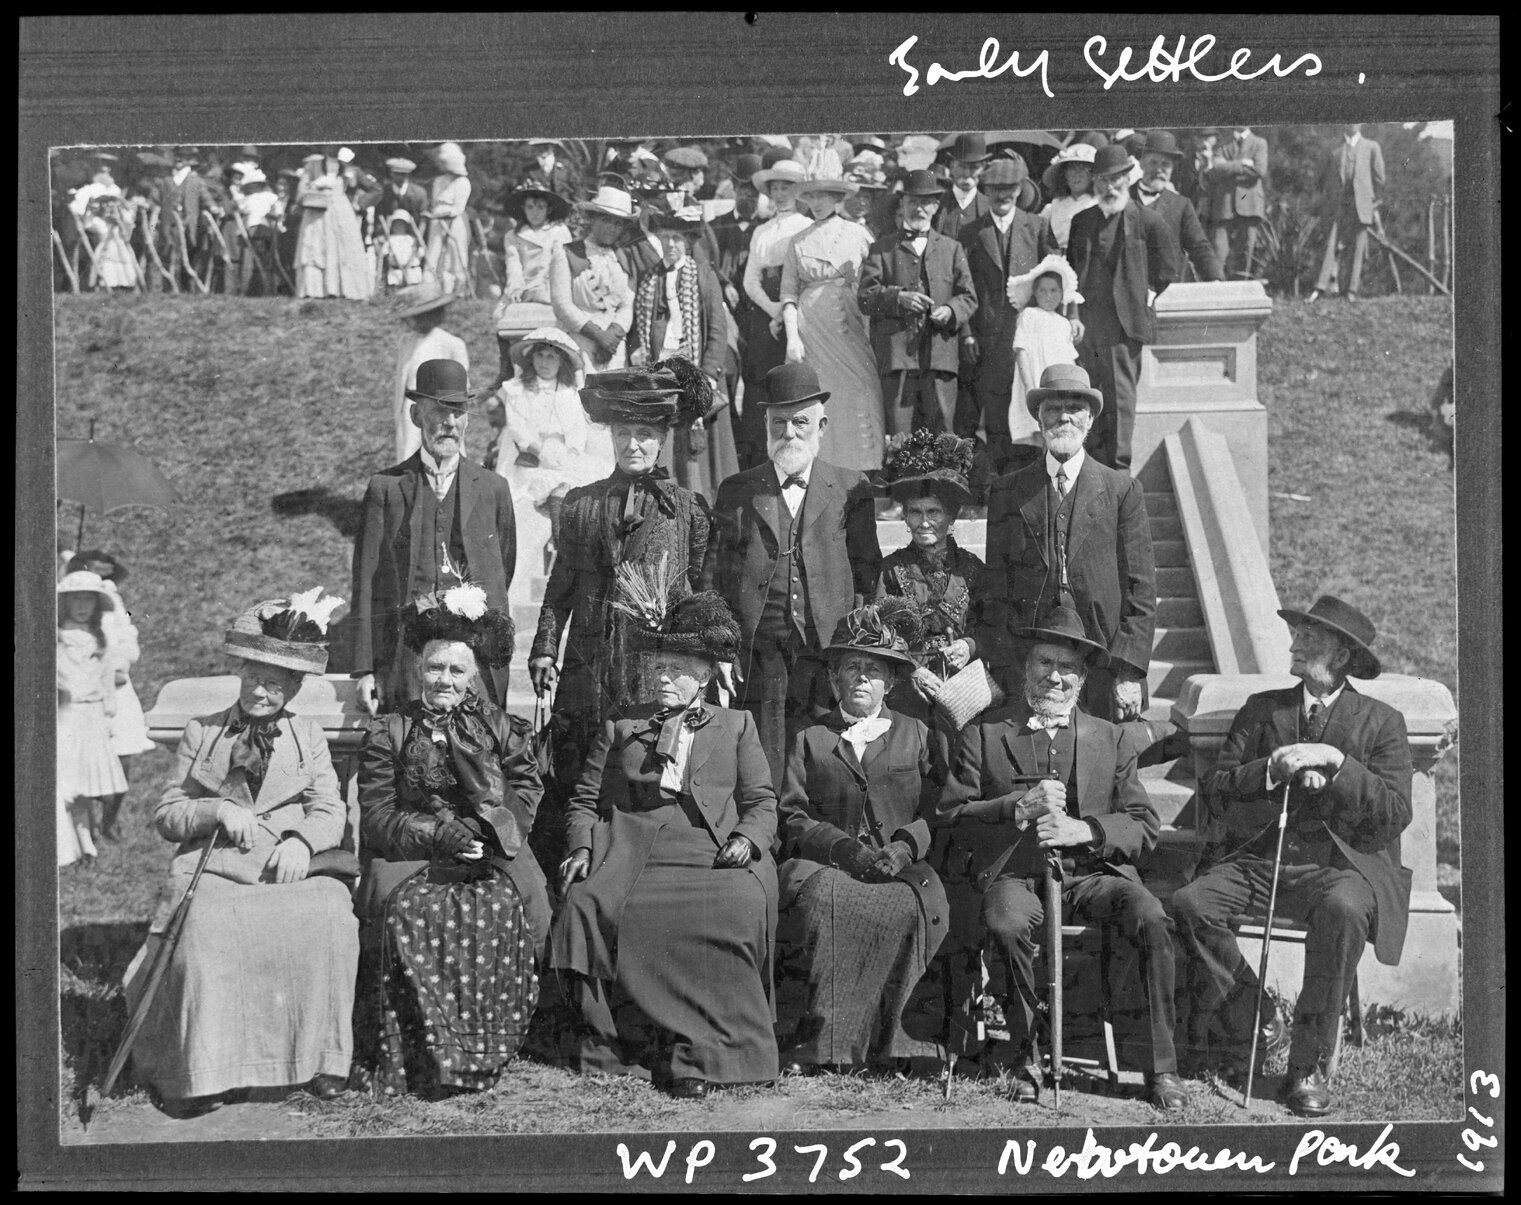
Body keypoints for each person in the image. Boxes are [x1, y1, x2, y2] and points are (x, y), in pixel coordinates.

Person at [939, 604, 1186, 1111]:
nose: (1055, 677)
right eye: (1044, 664)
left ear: (1083, 676)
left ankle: (1159, 1067)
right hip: (1015, 874)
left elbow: (1143, 826)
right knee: (1006, 924)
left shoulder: (1109, 737)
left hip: (1090, 876)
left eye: (1067, 667)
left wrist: (1086, 829)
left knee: (1151, 917)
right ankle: (1022, 1054)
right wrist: (1013, 808)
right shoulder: (983, 732)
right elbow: (952, 814)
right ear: (1026, 669)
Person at [1172, 596, 1412, 1118]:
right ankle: (1257, 1013)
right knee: (1190, 904)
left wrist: (1338, 763)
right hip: (1258, 860)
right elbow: (1215, 790)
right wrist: (1270, 770)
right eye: (1297, 635)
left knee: (1345, 911)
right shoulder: (1264, 709)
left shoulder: (1382, 722)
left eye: (1310, 638)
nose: (1295, 644)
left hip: (1338, 869)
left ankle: (1308, 1064)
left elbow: (1395, 814)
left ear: (1343, 656)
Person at [123, 589, 359, 1117]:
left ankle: (321, 1060)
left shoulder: (308, 736)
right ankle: (207, 1071)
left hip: (288, 867)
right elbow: (169, 814)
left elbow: (330, 807)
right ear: (242, 673)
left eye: (274, 684)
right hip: (216, 866)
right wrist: (215, 812)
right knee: (205, 927)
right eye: (253, 678)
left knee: (332, 919)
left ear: (294, 688)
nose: (260, 692)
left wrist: (302, 841)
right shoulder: (203, 732)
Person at [552, 590, 778, 1097]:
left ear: (703, 676)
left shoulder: (737, 725)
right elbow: (584, 801)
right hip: (636, 849)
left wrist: (747, 837)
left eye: (676, 668)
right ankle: (624, 1044)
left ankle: (708, 1053)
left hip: (710, 848)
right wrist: (582, 849)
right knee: (590, 902)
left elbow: (763, 801)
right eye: (658, 667)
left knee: (733, 906)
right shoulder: (623, 723)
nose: (662, 678)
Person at [353, 586, 549, 1097]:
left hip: (492, 848)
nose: (444, 679)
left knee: (513, 903)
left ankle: (490, 1043)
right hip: (411, 851)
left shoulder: (503, 728)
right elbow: (377, 814)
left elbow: (526, 788)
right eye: (435, 668)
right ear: (420, 670)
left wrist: (489, 830)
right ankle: (421, 1051)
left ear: (475, 676)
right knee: (413, 912)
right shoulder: (390, 731)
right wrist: (439, 834)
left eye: (456, 671)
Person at [527, 360, 713, 867]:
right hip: (587, 665)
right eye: (624, 433)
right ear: (610, 437)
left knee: (643, 767)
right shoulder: (581, 506)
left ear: (661, 440)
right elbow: (559, 587)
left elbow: (700, 594)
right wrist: (545, 647)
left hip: (651, 670)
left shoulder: (687, 510)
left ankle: (643, 863)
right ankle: (572, 863)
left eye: (645, 435)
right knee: (577, 770)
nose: (634, 445)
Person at [775, 600, 949, 1071]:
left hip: (903, 867)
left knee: (909, 908)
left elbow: (941, 808)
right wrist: (842, 847)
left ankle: (897, 1045)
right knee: (823, 901)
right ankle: (826, 1046)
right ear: (833, 680)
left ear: (890, 682)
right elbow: (791, 813)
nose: (860, 679)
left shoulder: (917, 732)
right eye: (850, 668)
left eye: (872, 671)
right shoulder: (809, 737)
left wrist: (906, 844)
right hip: (829, 864)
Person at [702, 361, 883, 785]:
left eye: (801, 422)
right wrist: (720, 647)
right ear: (765, 425)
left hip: (826, 653)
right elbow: (715, 578)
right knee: (762, 759)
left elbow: (868, 571)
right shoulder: (738, 490)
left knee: (824, 756)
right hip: (758, 654)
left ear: (821, 427)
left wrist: (855, 644)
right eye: (779, 422)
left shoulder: (851, 487)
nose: (789, 433)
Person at [979, 363, 1156, 725]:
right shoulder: (1007, 491)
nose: (1064, 417)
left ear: (1090, 419)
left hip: (1103, 662)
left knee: (1101, 768)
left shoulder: (1122, 491)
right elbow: (996, 585)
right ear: (1039, 419)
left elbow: (1141, 589)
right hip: (1031, 663)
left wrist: (1129, 672)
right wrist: (1000, 663)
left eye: (1074, 408)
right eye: (1053, 409)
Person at [351, 359, 517, 714]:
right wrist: (364, 669)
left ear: (468, 418)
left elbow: (505, 564)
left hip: (476, 658)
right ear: (416, 416)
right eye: (438, 411)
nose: (449, 423)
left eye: (458, 411)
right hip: (409, 660)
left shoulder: (493, 488)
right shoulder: (387, 488)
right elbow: (366, 583)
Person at [1066, 143, 1177, 471]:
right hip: (1087, 329)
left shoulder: (1148, 220)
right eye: (1102, 180)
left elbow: (1168, 269)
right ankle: (1090, 472)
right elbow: (1071, 273)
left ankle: (1118, 473)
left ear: (1128, 179)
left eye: (1116, 180)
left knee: (1120, 403)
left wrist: (1145, 296)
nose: (1109, 187)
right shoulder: (1082, 221)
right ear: (1094, 183)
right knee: (1088, 401)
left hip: (1123, 329)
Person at [873, 431, 988, 725]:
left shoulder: (973, 569)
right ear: (905, 517)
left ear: (951, 517)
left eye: (934, 512)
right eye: (915, 512)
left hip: (963, 694)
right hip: (907, 695)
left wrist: (969, 646)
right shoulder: (891, 569)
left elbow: (991, 625)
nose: (924, 522)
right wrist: (913, 670)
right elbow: (879, 632)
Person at [858, 169, 979, 438]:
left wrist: (950, 310)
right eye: (912, 201)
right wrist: (898, 297)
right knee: (901, 437)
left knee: (943, 432)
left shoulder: (952, 248)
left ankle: (943, 481)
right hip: (898, 359)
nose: (919, 208)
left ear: (936, 207)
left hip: (940, 358)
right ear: (902, 205)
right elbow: (865, 296)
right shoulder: (883, 249)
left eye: (926, 202)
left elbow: (969, 297)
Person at [957, 155, 1056, 474]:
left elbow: (1053, 277)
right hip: (988, 338)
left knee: (1031, 409)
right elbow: (962, 286)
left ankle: (1030, 479)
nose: (1002, 196)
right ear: (986, 191)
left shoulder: (1037, 226)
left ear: (1020, 189)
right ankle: (1001, 484)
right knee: (997, 412)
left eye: (1009, 188)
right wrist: (967, 332)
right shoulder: (971, 231)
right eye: (995, 189)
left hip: (1028, 337)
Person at [632, 206, 738, 501]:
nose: (670, 245)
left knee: (698, 451)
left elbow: (717, 328)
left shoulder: (703, 276)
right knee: (668, 442)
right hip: (663, 370)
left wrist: (708, 373)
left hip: (697, 370)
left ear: (688, 242)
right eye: (665, 238)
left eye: (677, 238)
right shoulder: (650, 279)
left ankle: (703, 504)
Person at [780, 178, 885, 471]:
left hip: (851, 321)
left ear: (837, 197)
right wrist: (792, 338)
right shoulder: (798, 240)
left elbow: (873, 282)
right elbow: (788, 293)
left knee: (861, 387)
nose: (816, 203)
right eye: (811, 196)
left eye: (823, 196)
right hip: (810, 328)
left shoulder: (858, 234)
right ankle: (821, 469)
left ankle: (867, 467)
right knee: (820, 396)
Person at [489, 327, 611, 574]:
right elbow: (518, 429)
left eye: (551, 357)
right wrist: (541, 451)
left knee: (589, 476)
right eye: (540, 356)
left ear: (561, 362)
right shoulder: (517, 389)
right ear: (531, 359)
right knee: (529, 489)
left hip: (562, 452)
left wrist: (571, 452)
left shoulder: (568, 394)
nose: (545, 362)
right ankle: (555, 533)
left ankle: (562, 537)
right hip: (528, 455)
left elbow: (577, 430)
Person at [64, 551, 156, 840]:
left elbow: (129, 632)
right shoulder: (69, 606)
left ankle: (110, 820)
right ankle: (83, 827)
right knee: (83, 758)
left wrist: (122, 660)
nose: (103, 579)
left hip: (118, 686)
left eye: (107, 574)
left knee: (123, 756)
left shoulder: (115, 602)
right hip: (83, 690)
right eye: (96, 572)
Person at [738, 159, 812, 466]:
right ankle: (760, 462)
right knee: (759, 383)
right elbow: (750, 279)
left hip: (798, 311)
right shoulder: (762, 231)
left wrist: (785, 312)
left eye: (787, 187)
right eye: (775, 188)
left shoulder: (807, 227)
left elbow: (803, 278)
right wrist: (771, 310)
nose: (780, 194)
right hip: (766, 315)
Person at [56, 571, 127, 867]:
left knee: (108, 788)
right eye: (76, 600)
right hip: (68, 716)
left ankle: (97, 832)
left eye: (88, 600)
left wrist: (109, 713)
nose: (82, 607)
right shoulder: (56, 637)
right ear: (65, 604)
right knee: (75, 785)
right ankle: (84, 845)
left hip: (95, 715)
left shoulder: (101, 638)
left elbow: (108, 679)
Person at [549, 185, 638, 372]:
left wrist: (612, 336)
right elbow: (562, 304)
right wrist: (598, 336)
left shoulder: (624, 258)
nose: (612, 228)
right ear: (593, 219)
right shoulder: (566, 253)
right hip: (578, 341)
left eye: (618, 223)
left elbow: (626, 305)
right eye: (606, 220)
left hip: (614, 346)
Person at [1006, 256, 1083, 466]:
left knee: (1059, 434)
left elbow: (1069, 363)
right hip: (1037, 383)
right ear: (1034, 293)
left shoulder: (1063, 323)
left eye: (1053, 291)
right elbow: (1021, 352)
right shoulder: (1029, 315)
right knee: (1042, 431)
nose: (1048, 296)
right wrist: (1030, 387)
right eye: (1042, 291)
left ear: (1062, 294)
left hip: (1060, 387)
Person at [390, 281, 470, 463]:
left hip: (441, 409)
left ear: (430, 316)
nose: (410, 324)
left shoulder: (451, 343)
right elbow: (403, 377)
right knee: (410, 453)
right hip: (412, 408)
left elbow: (461, 385)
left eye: (415, 318)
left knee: (442, 454)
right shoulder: (406, 341)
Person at [1309, 124, 1386, 303]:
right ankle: (1319, 289)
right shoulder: (1331, 147)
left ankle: (1350, 291)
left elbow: (1380, 179)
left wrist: (1371, 202)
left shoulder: (1371, 147)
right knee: (1329, 244)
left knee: (1357, 248)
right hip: (1336, 205)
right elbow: (1318, 179)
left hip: (1360, 205)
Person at [1131, 130, 1222, 283]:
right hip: (1129, 290)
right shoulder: (1123, 199)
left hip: (1168, 290)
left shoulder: (1181, 205)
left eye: (1165, 164)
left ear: (1172, 169)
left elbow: (1199, 247)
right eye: (1153, 162)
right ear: (1141, 163)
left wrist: (1215, 279)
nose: (1159, 170)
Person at [294, 151, 374, 300]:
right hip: (317, 211)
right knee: (316, 247)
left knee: (344, 248)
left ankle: (342, 289)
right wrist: (315, 187)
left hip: (341, 212)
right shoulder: (313, 165)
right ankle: (315, 289)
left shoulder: (349, 166)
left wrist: (359, 204)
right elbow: (300, 192)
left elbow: (374, 188)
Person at [1206, 125, 1270, 280]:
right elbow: (1215, 170)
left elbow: (1259, 171)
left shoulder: (1259, 143)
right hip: (1225, 203)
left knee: (1246, 248)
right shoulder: (1222, 144)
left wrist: (1228, 169)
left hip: (1249, 203)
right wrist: (1243, 163)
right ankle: (1217, 287)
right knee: (1219, 248)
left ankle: (1241, 287)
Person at [423, 142, 472, 295]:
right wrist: (433, 215)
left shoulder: (463, 182)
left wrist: (440, 215)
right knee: (434, 252)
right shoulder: (439, 181)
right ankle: (431, 288)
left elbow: (458, 208)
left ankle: (458, 290)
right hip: (436, 221)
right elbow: (434, 202)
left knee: (455, 254)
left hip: (454, 221)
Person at [1039, 142, 1099, 255]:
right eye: (1072, 169)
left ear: (1092, 175)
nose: (1077, 175)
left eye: (1083, 169)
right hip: (1056, 261)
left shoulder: (1097, 203)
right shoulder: (1054, 206)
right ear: (1064, 174)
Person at [934, 133, 992, 241]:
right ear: (952, 166)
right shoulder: (937, 205)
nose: (966, 174)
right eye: (961, 166)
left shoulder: (990, 207)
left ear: (983, 169)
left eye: (974, 168)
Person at [523, 138, 582, 204]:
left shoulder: (567, 167)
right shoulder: (530, 171)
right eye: (538, 148)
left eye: (546, 147)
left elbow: (579, 192)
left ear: (552, 148)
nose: (542, 150)